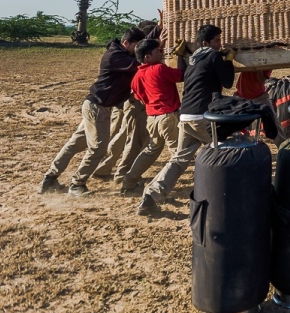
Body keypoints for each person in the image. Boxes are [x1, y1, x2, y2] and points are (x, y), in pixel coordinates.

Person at [137, 24, 235, 216]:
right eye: (217, 41)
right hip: (202, 117)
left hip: (186, 115)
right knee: (227, 152)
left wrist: (181, 56)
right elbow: (228, 82)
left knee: (179, 159)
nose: (220, 44)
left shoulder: (193, 60)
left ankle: (150, 197)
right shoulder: (213, 56)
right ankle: (230, 193)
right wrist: (229, 61)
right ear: (205, 43)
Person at [39, 27, 146, 196]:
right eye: (137, 46)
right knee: (98, 149)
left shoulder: (120, 53)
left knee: (75, 144)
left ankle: (50, 178)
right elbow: (142, 63)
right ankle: (77, 184)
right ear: (126, 43)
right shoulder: (116, 56)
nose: (139, 50)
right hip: (97, 108)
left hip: (96, 107)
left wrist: (158, 28)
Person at [93, 14, 164, 182]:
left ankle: (104, 168)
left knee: (123, 135)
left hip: (126, 100)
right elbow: (144, 59)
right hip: (132, 101)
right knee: (131, 139)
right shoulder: (127, 58)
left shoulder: (127, 53)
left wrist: (158, 28)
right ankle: (121, 174)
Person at [118, 38, 184, 195]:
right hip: (167, 117)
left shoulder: (137, 77)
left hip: (152, 118)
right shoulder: (159, 69)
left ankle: (129, 182)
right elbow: (181, 75)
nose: (161, 53)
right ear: (147, 57)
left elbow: (140, 98)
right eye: (157, 51)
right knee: (178, 154)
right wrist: (180, 56)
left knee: (151, 151)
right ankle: (158, 189)